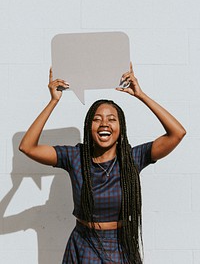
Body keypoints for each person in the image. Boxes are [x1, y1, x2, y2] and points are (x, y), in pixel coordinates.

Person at [19, 62, 186, 264]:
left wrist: (141, 95)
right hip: (82, 244)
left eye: (111, 119)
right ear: (89, 127)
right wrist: (53, 101)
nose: (104, 123)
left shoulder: (133, 158)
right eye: (97, 119)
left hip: (120, 246)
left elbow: (177, 133)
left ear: (120, 128)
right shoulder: (74, 157)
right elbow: (27, 147)